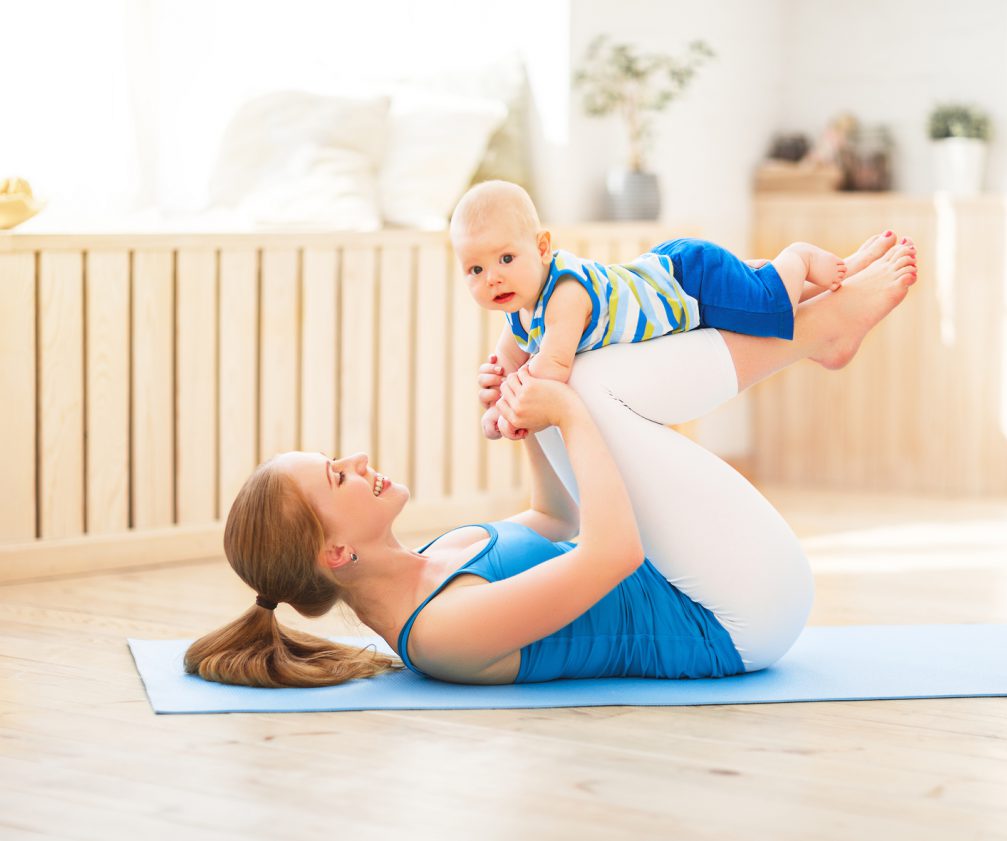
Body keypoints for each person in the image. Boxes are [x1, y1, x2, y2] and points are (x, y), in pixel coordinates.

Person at [184, 231, 918, 687]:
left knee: (570, 374)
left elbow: (553, 517)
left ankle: (809, 326)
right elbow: (610, 553)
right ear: (335, 549)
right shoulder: (438, 633)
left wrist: (524, 413)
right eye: (336, 474)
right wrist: (560, 406)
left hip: (700, 579)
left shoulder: (438, 555)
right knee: (583, 385)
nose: (357, 458)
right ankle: (815, 331)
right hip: (734, 619)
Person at [449, 180, 863, 441]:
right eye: (476, 269)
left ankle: (798, 259)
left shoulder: (565, 293)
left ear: (541, 248)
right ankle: (795, 284)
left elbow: (552, 370)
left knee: (770, 308)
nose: (493, 279)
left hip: (690, 280)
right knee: (750, 305)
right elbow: (508, 378)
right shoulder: (519, 313)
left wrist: (511, 402)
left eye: (505, 259)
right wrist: (496, 408)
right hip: (670, 279)